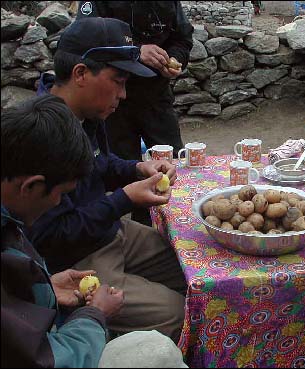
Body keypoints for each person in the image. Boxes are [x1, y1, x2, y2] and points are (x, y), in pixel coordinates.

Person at [28, 17, 187, 342]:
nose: (124, 94)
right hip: (80, 259)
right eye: (118, 81)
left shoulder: (87, 114)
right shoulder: (42, 135)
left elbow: (100, 164)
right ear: (81, 74)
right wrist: (125, 199)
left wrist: (134, 169)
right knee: (178, 313)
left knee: (192, 268)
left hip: (112, 231)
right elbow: (53, 235)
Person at [1, 94, 122, 367]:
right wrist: (94, 315)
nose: (58, 203)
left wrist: (42, 289)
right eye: (61, 194)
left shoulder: (9, 219)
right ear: (30, 186)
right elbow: (43, 360)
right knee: (157, 351)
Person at [76, 1, 194, 226]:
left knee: (172, 165)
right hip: (112, 100)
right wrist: (136, 51)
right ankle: (142, 228)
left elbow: (182, 38)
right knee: (122, 167)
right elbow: (85, 41)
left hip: (156, 96)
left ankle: (178, 228)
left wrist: (172, 58)